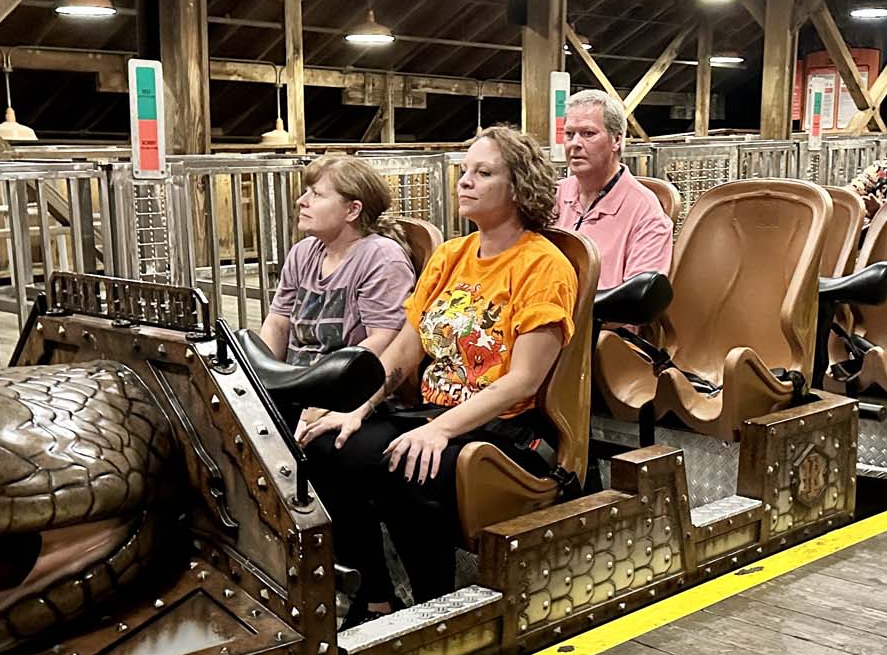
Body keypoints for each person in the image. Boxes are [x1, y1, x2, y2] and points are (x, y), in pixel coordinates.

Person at [301, 126, 575, 620]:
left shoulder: (543, 264)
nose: (465, 181)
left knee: (405, 464)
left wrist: (440, 430)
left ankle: (437, 610)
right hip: (434, 413)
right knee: (325, 446)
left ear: (518, 189)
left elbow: (524, 380)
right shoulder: (451, 255)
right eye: (465, 171)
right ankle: (377, 598)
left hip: (505, 430)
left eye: (483, 173)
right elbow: (404, 351)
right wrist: (357, 409)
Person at [258, 154, 417, 371]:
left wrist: (320, 383)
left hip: (345, 384)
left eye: (317, 194)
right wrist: (264, 373)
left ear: (352, 210)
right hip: (292, 379)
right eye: (307, 191)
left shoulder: (382, 257)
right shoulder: (302, 252)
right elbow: (277, 323)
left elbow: (383, 340)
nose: (301, 201)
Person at [552, 89, 672, 290]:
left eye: (588, 134)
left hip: (600, 310)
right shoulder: (553, 195)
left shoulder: (645, 212)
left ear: (616, 140)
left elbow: (639, 297)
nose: (575, 144)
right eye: (569, 134)